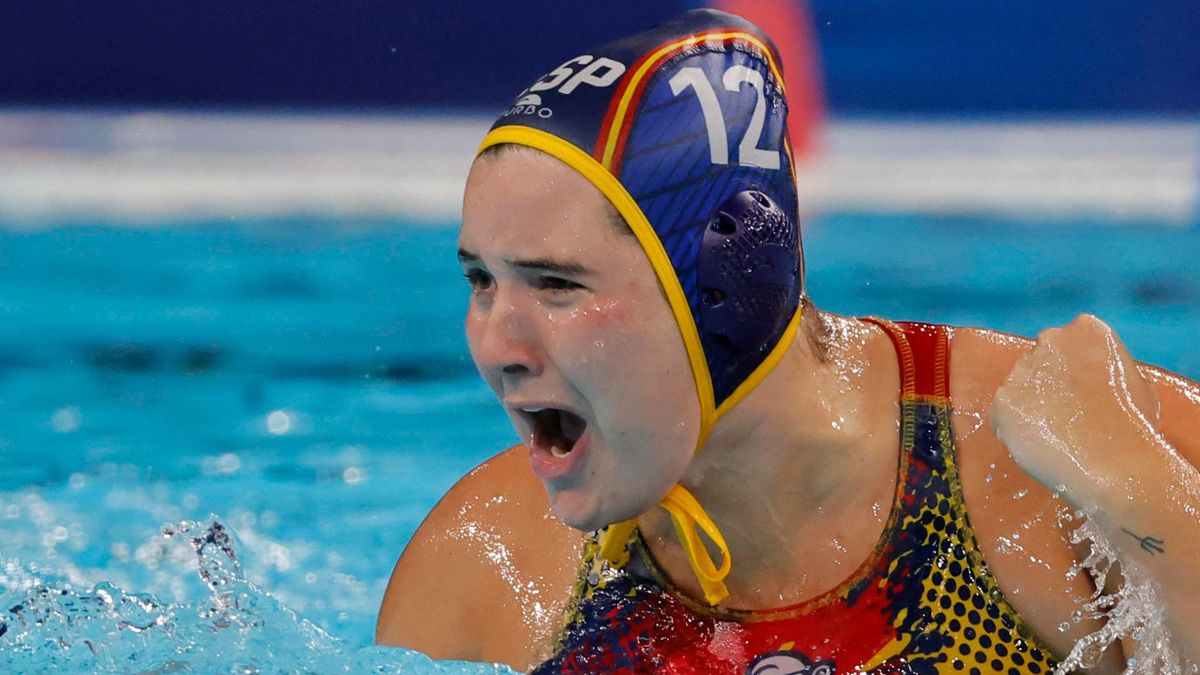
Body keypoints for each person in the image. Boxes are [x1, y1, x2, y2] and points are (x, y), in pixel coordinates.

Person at [376, 9, 1200, 673]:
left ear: (724, 283)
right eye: (480, 281)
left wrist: (1149, 498)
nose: (495, 344)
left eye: (556, 284)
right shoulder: (488, 563)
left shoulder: (1056, 468)